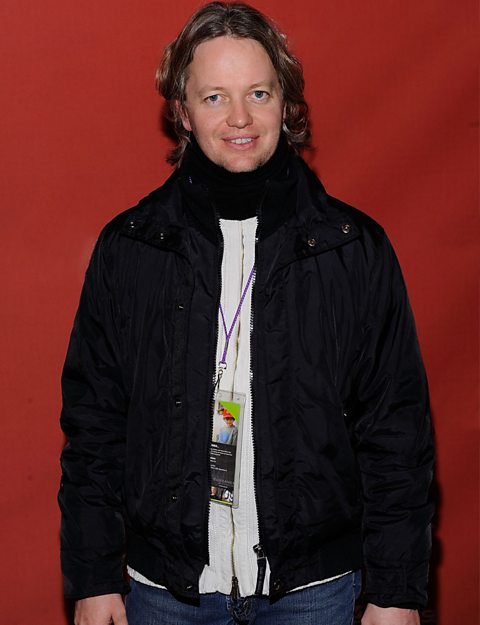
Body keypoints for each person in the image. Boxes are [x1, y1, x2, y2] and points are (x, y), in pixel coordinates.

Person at [58, 3, 434, 625]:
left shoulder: (352, 248)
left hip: (315, 593)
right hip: (165, 594)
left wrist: (396, 592)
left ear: (285, 102)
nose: (239, 118)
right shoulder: (131, 248)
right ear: (181, 111)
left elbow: (397, 433)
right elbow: (94, 428)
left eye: (258, 92)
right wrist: (93, 577)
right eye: (214, 97)